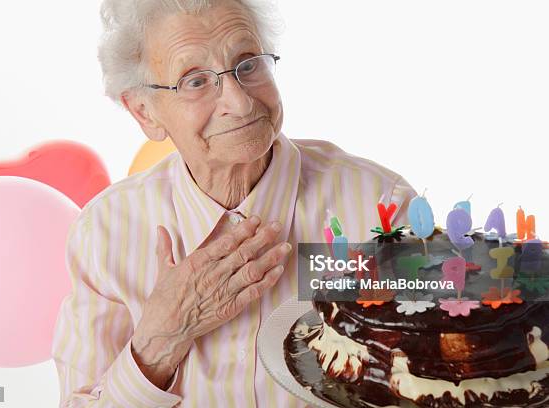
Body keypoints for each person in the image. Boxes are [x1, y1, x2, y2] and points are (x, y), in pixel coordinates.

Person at [51, 0, 417, 406]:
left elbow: (444, 374)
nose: (241, 103)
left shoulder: (378, 207)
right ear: (144, 112)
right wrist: (159, 341)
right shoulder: (105, 233)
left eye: (248, 64)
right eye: (194, 81)